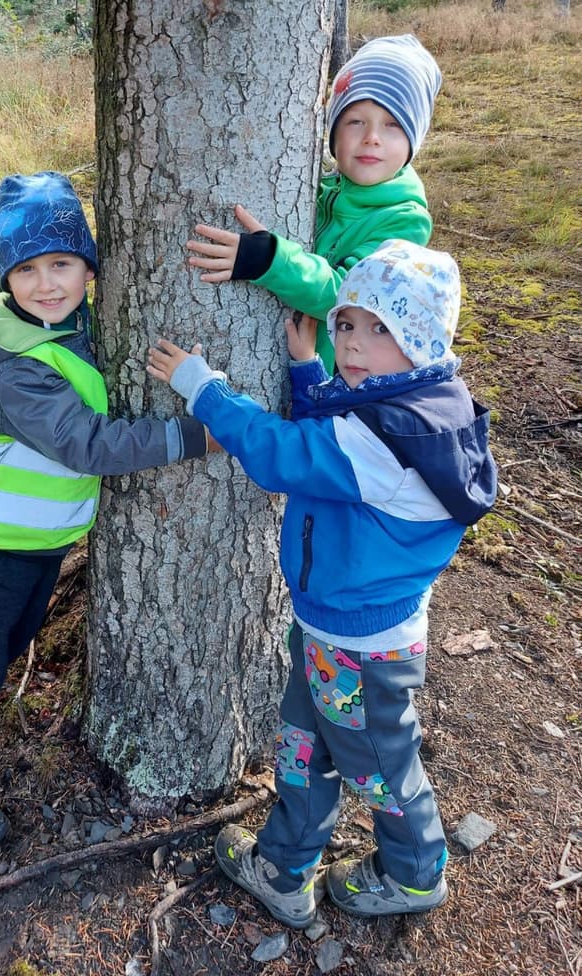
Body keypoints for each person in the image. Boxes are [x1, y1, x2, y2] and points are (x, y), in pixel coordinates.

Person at [146, 239, 497, 928]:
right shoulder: (414, 403)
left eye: (380, 330)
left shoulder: (395, 437)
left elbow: (286, 458)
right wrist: (310, 374)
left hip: (362, 648)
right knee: (303, 745)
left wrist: (203, 387)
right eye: (347, 324)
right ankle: (283, 867)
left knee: (382, 770)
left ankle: (415, 873)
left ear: (422, 341)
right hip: (340, 629)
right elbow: (336, 438)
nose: (355, 345)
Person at [0, 171, 213, 853]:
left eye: (63, 264)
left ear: (88, 267)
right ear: (6, 279)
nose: (48, 284)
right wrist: (187, 435)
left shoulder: (62, 328)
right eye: (26, 270)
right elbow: (83, 442)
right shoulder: (18, 367)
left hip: (28, 544)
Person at [187, 34, 442, 371]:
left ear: (414, 141)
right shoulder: (317, 189)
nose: (372, 138)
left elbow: (351, 295)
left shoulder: (404, 220)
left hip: (336, 386)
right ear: (332, 131)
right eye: (355, 121)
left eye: (394, 125)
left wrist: (268, 260)